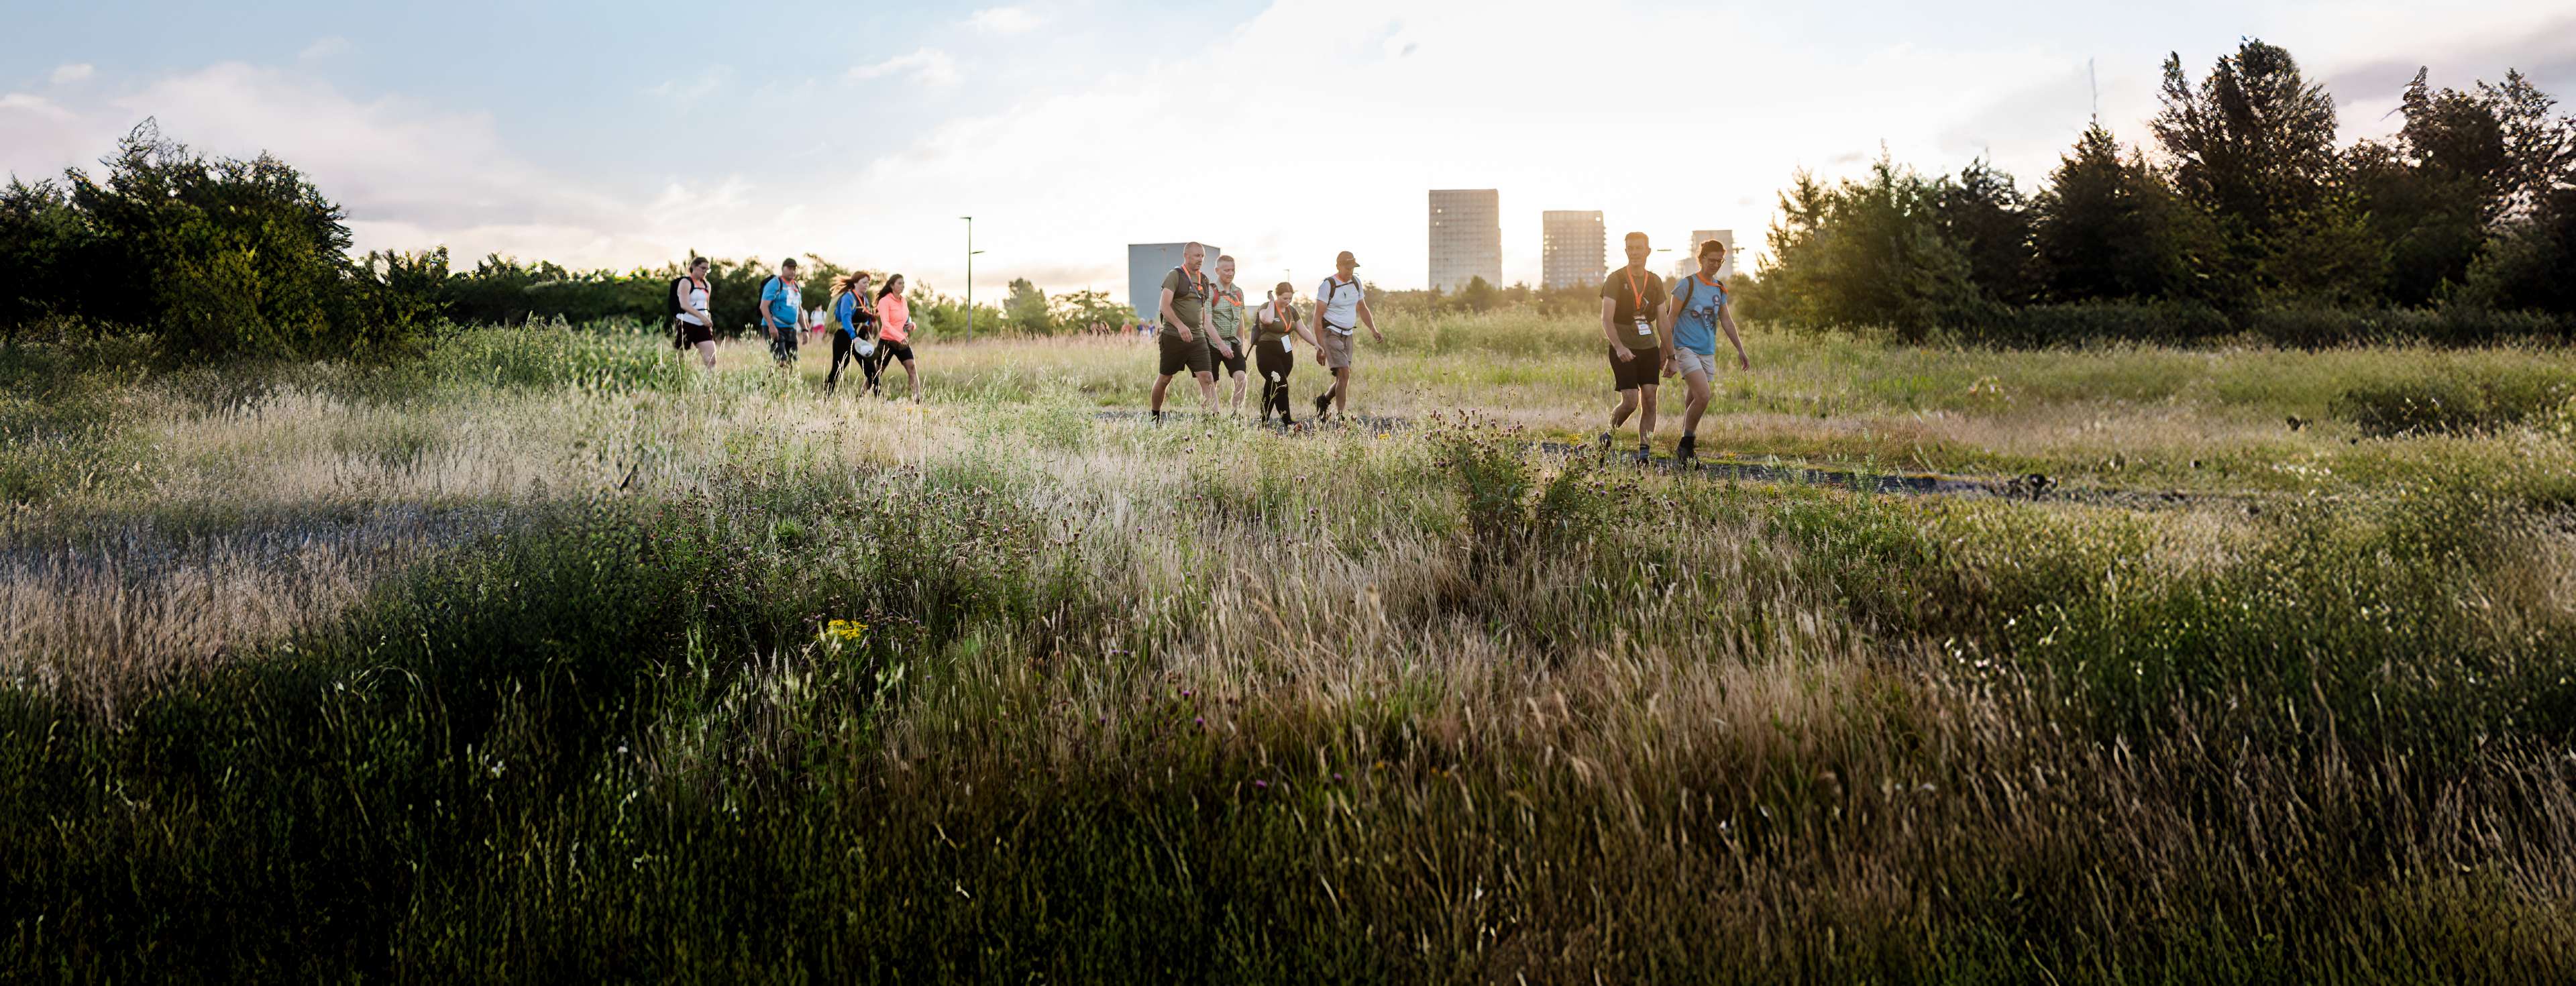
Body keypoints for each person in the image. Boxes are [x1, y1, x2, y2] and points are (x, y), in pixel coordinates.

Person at [1660, 238, 1752, 461]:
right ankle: (1686, 445)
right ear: (1701, 259)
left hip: (1707, 351)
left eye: (1720, 261)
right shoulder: (1686, 285)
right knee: (1703, 396)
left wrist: (1741, 349)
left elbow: (1727, 320)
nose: (1715, 265)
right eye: (1711, 260)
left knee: (1693, 400)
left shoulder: (1719, 288)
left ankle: (1684, 454)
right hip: (1685, 349)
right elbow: (1669, 319)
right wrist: (1665, 354)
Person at [1599, 232, 1666, 461]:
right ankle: (1608, 435)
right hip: (1623, 347)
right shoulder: (1616, 279)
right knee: (1630, 401)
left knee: (1650, 399)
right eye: (1631, 248)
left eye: (1640, 248)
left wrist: (1669, 352)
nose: (1635, 252)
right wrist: (1618, 347)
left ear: (1648, 251)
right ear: (1626, 251)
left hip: (1648, 347)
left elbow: (1663, 320)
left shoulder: (1655, 281)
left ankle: (1644, 456)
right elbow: (1606, 319)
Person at [1150, 241, 1232, 419]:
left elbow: (1203, 312)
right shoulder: (1175, 276)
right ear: (1186, 256)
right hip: (1173, 336)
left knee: (1207, 378)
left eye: (1203, 256)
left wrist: (1213, 336)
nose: (1200, 259)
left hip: (1198, 338)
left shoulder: (1204, 280)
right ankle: (1154, 417)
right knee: (1165, 379)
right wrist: (1180, 325)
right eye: (1197, 256)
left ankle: (1213, 423)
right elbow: (1164, 306)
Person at [1308, 250, 1383, 421]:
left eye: (1353, 268)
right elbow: (1317, 318)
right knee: (1345, 374)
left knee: (1343, 377)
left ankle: (1323, 400)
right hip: (1330, 333)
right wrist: (1319, 347)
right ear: (1338, 266)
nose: (1350, 271)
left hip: (1348, 335)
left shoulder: (1356, 283)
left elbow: (1362, 308)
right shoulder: (1328, 285)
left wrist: (1373, 329)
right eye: (1347, 268)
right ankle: (1340, 417)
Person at [1252, 279, 1314, 426]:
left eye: (1290, 298)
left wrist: (1317, 345)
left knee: (1272, 388)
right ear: (1277, 295)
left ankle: (1263, 423)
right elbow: (1267, 321)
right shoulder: (1266, 307)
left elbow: (1303, 330)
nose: (1287, 301)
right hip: (1267, 352)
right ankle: (1289, 423)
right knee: (1281, 385)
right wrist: (1272, 302)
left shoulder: (1292, 310)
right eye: (1284, 298)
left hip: (1285, 353)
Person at [1208, 255, 1250, 415]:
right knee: (1211, 382)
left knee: (1241, 378)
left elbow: (1240, 319)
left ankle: (1235, 414)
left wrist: (1241, 342)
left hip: (1232, 343)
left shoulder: (1238, 292)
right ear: (1217, 271)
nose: (1230, 273)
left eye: (1233, 270)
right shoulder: (1211, 291)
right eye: (1226, 270)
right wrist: (1220, 345)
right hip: (1212, 343)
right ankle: (1212, 417)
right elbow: (1207, 322)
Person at [825, 271, 876, 395]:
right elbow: (846, 318)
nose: (867, 285)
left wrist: (870, 324)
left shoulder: (865, 299)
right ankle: (826, 397)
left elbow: (868, 318)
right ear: (855, 283)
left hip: (861, 340)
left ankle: (881, 399)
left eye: (868, 283)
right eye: (864, 282)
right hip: (845, 338)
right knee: (837, 370)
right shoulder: (848, 297)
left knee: (872, 370)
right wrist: (854, 337)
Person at [873, 274, 921, 400]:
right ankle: (861, 396)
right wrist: (900, 337)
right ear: (892, 286)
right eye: (900, 283)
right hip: (887, 342)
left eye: (903, 283)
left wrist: (913, 325)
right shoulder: (885, 301)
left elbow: (907, 319)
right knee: (877, 372)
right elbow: (886, 324)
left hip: (902, 342)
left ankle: (917, 399)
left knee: (912, 367)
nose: (903, 286)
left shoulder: (904, 301)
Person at [670, 256, 717, 369]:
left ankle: (709, 385)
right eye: (703, 268)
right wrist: (702, 317)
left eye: (707, 269)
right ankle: (677, 383)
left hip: (703, 325)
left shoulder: (707, 285)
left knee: (711, 360)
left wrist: (708, 319)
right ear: (694, 267)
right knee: (679, 360)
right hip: (685, 322)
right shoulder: (685, 282)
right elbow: (684, 305)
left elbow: (707, 306)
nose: (705, 272)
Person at [760, 258, 803, 371]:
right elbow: (763, 306)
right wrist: (771, 326)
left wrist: (805, 330)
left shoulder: (797, 287)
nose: (792, 271)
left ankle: (777, 382)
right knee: (781, 361)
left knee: (792, 361)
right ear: (783, 268)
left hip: (791, 329)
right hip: (775, 327)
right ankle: (769, 381)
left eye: (794, 269)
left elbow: (799, 309)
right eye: (789, 268)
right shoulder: (775, 284)